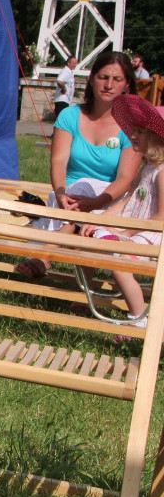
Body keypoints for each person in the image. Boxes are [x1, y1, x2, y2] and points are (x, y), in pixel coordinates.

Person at [17, 51, 140, 279]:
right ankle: (82, 282)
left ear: (127, 85)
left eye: (117, 79)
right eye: (103, 77)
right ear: (91, 79)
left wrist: (95, 202)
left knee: (85, 199)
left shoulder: (132, 126)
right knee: (78, 195)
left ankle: (46, 256)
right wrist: (60, 194)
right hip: (68, 196)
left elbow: (125, 178)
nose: (109, 85)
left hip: (108, 199)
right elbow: (59, 160)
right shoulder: (70, 116)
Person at [79, 94, 164, 326]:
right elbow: (126, 203)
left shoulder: (161, 173)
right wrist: (100, 221)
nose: (132, 136)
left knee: (121, 266)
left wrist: (127, 233)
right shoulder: (147, 169)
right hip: (133, 227)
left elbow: (161, 217)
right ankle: (86, 294)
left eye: (140, 132)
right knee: (85, 239)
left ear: (157, 138)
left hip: (151, 234)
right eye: (133, 130)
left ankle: (139, 317)